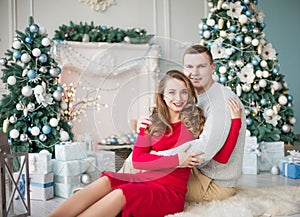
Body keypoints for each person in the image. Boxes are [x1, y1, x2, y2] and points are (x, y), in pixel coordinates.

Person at [48, 70, 242, 217]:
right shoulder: (152, 122)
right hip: (144, 180)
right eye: (172, 92)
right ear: (163, 96)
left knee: (121, 193)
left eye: (184, 92)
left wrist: (236, 122)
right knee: (107, 179)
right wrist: (176, 160)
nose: (178, 98)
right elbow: (139, 161)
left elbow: (222, 157)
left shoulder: (195, 123)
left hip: (169, 192)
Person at [133, 45, 247, 202]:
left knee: (137, 165)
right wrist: (145, 127)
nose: (194, 73)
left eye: (201, 66)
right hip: (197, 172)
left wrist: (155, 157)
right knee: (138, 162)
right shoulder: (193, 95)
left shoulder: (220, 102)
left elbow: (205, 153)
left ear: (212, 68)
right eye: (189, 67)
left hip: (211, 183)